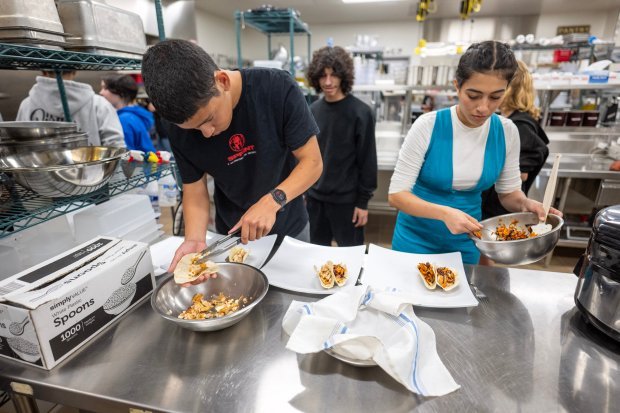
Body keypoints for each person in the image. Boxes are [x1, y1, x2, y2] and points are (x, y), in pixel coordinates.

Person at [141, 40, 323, 280]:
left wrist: (272, 201)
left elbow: (312, 162)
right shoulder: (177, 126)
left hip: (289, 228)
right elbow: (194, 188)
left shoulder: (276, 88)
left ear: (222, 81)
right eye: (194, 129)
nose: (206, 133)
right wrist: (195, 240)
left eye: (208, 119)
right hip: (230, 234)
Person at [388, 41, 561, 265]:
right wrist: (444, 214)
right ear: (457, 86)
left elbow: (509, 194)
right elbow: (396, 196)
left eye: (495, 97)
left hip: (467, 241)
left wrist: (526, 205)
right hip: (415, 239)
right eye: (473, 95)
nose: (483, 107)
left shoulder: (507, 132)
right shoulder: (428, 126)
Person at [305, 46, 377, 246]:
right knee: (316, 255)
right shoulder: (312, 111)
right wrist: (305, 191)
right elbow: (308, 157)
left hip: (347, 203)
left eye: (334, 75)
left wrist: (363, 203)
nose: (328, 82)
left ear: (343, 76)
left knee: (351, 258)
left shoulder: (361, 113)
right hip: (316, 200)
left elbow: (368, 161)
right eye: (323, 76)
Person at [481, 60, 550, 219]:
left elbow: (520, 174)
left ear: (509, 88)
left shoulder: (520, 126)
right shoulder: (504, 119)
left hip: (501, 207)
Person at [16, 70, 124, 147]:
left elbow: (18, 143)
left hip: (40, 177)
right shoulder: (99, 103)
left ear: (44, 72)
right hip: (89, 175)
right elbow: (115, 144)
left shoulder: (26, 104)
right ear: (74, 71)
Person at [100, 74, 156, 153]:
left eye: (105, 88)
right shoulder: (135, 114)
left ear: (121, 92)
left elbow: (125, 156)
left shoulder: (123, 120)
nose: (101, 92)